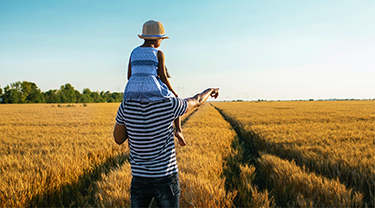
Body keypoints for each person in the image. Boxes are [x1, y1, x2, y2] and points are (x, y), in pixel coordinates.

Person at [113, 88, 219, 207]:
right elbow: (197, 100)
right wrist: (210, 90)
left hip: (140, 178)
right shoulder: (170, 104)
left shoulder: (126, 106)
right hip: (166, 178)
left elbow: (118, 139)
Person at [123, 20, 186, 146]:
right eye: (161, 40)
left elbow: (129, 75)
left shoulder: (134, 52)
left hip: (131, 90)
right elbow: (163, 76)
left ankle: (130, 134)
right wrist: (173, 92)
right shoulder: (158, 54)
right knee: (174, 99)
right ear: (156, 39)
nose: (161, 42)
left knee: (130, 111)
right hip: (151, 89)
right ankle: (178, 130)